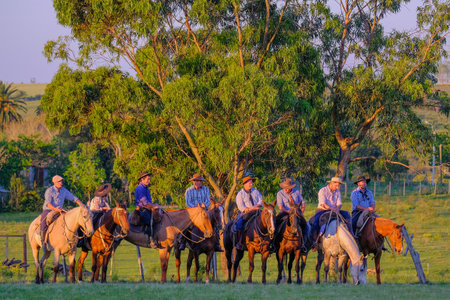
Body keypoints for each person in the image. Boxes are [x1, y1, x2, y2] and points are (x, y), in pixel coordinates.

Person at [179, 173, 223, 251]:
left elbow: (208, 200)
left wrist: (204, 206)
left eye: (199, 181)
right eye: (195, 181)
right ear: (193, 181)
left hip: (204, 210)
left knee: (214, 222)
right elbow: (188, 202)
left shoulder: (206, 189)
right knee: (187, 224)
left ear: (201, 181)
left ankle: (216, 243)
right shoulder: (188, 191)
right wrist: (196, 207)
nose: (197, 182)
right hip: (193, 211)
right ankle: (182, 241)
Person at [41, 175, 85, 251]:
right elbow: (47, 203)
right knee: (44, 222)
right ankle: (43, 242)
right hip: (49, 209)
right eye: (59, 181)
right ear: (54, 182)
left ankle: (77, 240)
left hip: (60, 210)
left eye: (61, 181)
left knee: (73, 220)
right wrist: (55, 209)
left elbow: (73, 198)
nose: (61, 183)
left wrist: (82, 205)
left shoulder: (64, 190)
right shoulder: (49, 190)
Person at [310, 177, 352, 249]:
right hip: (323, 210)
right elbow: (323, 204)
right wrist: (332, 209)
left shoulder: (337, 192)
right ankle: (315, 242)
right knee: (315, 223)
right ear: (331, 183)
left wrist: (337, 208)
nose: (337, 187)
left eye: (338, 185)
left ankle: (351, 234)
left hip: (335, 210)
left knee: (347, 214)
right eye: (336, 185)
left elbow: (339, 203)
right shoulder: (322, 190)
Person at [234, 175, 263, 250]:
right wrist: (251, 208)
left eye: (251, 183)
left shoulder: (255, 191)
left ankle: (268, 241)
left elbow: (261, 200)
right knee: (239, 224)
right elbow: (241, 207)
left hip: (257, 210)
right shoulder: (240, 194)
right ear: (245, 184)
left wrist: (257, 205)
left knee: (268, 219)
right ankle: (239, 242)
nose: (251, 184)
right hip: (245, 213)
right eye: (249, 183)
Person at [134, 171, 159, 248]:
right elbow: (144, 203)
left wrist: (154, 205)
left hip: (147, 207)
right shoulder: (140, 188)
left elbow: (149, 202)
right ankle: (150, 240)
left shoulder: (146, 188)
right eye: (148, 179)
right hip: (142, 209)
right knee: (149, 220)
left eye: (149, 179)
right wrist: (153, 206)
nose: (149, 180)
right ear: (142, 179)